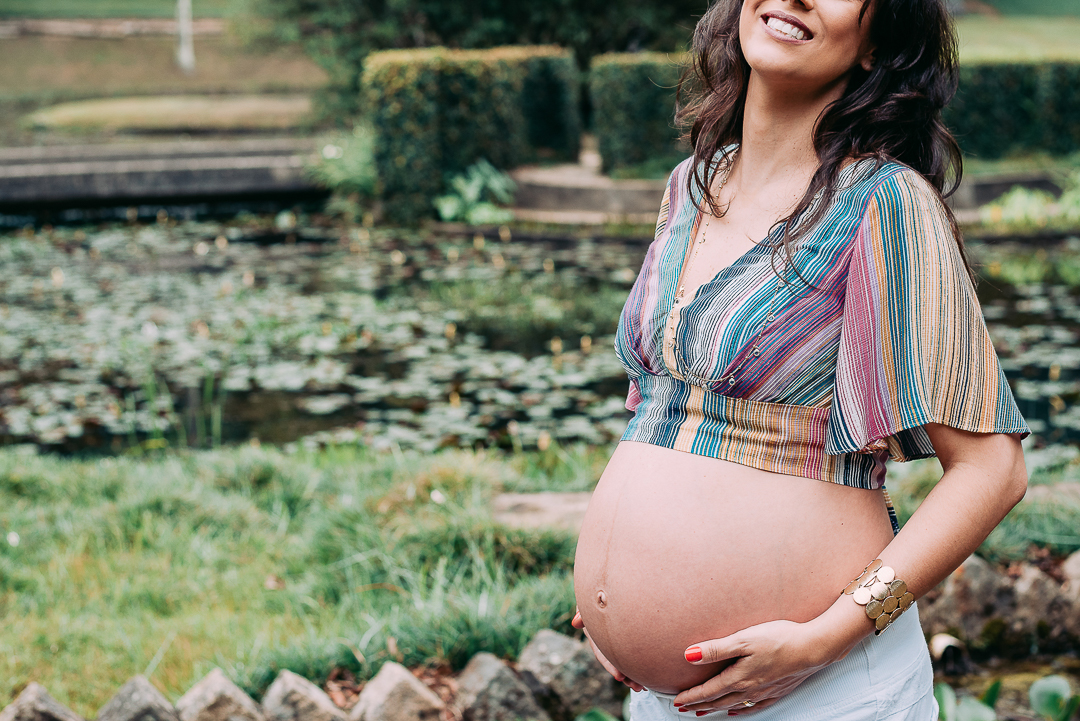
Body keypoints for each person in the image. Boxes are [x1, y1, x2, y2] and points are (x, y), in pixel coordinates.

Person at [570, 0, 1030, 719]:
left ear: (877, 44)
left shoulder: (886, 202)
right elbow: (658, 412)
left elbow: (993, 470)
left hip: (820, 692)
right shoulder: (690, 184)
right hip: (666, 699)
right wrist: (615, 601)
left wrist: (830, 636)